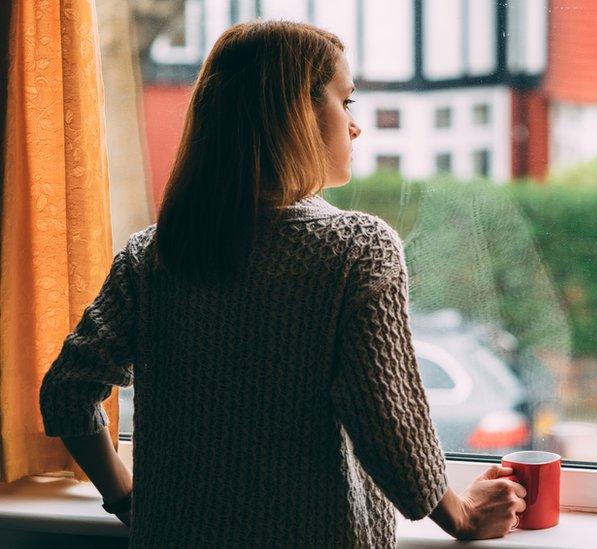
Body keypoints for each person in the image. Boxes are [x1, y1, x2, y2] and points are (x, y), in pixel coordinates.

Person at [38, 20, 525, 548]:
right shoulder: (356, 249)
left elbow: (67, 392)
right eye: (347, 101)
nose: (355, 126)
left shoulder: (154, 255)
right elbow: (390, 426)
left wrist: (129, 500)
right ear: (297, 114)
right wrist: (463, 517)